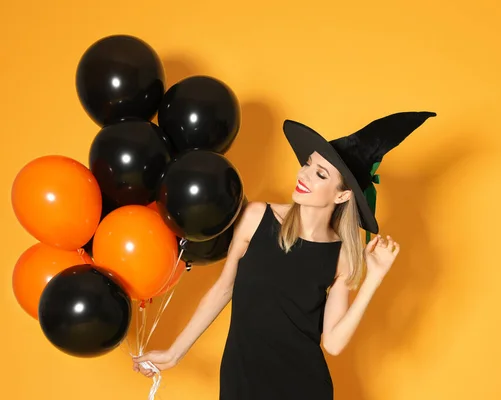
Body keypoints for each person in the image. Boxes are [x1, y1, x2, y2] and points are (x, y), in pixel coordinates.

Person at [133, 111, 436, 399]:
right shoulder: (256, 217)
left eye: (319, 174)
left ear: (342, 195)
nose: (303, 175)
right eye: (307, 164)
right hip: (242, 381)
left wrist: (374, 278)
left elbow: (332, 343)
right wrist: (175, 353)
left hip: (303, 388)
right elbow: (223, 288)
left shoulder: (340, 255)